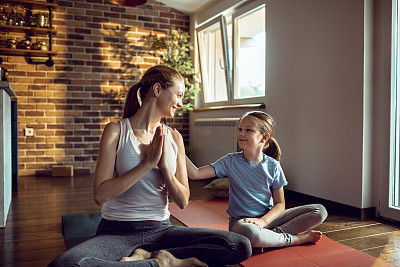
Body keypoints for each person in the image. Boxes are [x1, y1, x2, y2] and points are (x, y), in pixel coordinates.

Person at [48, 65, 252, 267]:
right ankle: (163, 262)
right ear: (157, 90)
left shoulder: (174, 138)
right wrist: (148, 164)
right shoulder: (116, 132)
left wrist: (164, 168)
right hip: (116, 232)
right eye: (178, 95)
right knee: (66, 264)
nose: (180, 103)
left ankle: (151, 257)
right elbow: (100, 195)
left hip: (162, 231)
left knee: (239, 245)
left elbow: (182, 200)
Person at [186, 111, 328, 251]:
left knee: (319, 211)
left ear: (264, 138)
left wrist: (263, 221)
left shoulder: (273, 166)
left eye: (248, 130)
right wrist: (178, 147)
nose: (241, 133)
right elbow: (195, 174)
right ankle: (294, 239)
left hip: (268, 220)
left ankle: (268, 239)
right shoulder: (230, 161)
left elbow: (279, 204)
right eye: (240, 129)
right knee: (251, 233)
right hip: (242, 223)